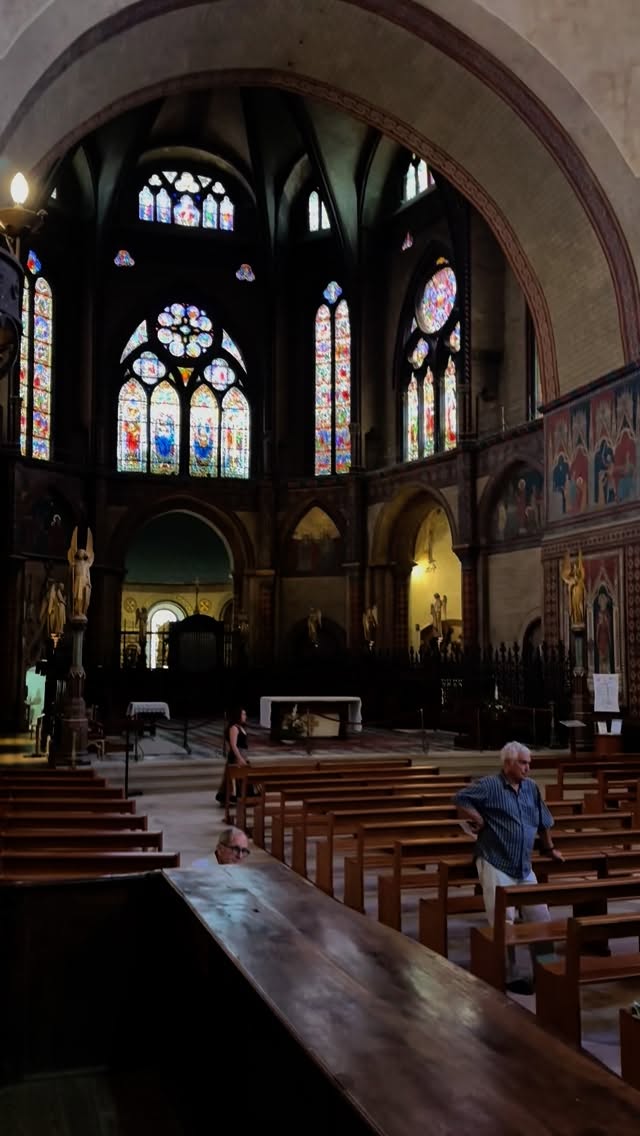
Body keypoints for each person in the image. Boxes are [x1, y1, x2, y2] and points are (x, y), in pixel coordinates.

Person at [454, 740, 564, 995]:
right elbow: (460, 798)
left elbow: (543, 820)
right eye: (523, 763)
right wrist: (477, 818)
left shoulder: (531, 788)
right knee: (505, 921)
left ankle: (546, 969)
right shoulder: (490, 785)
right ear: (508, 764)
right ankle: (510, 975)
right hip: (495, 860)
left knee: (540, 919)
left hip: (524, 865)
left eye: (529, 763)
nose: (528, 768)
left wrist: (549, 849)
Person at [216, 707, 250, 805]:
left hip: (243, 754)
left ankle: (243, 797)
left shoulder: (241, 727)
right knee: (234, 777)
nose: (245, 716)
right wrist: (239, 758)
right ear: (238, 715)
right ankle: (232, 797)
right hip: (236, 756)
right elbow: (233, 745)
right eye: (243, 714)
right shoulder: (234, 728)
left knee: (243, 777)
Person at [67, 526, 94, 618]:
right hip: (77, 580)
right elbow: (71, 574)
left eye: (83, 552)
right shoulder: (75, 563)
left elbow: (88, 574)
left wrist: (89, 582)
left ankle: (82, 611)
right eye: (80, 552)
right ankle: (76, 611)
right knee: (76, 597)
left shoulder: (86, 564)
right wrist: (72, 568)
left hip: (84, 581)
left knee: (83, 598)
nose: (81, 553)